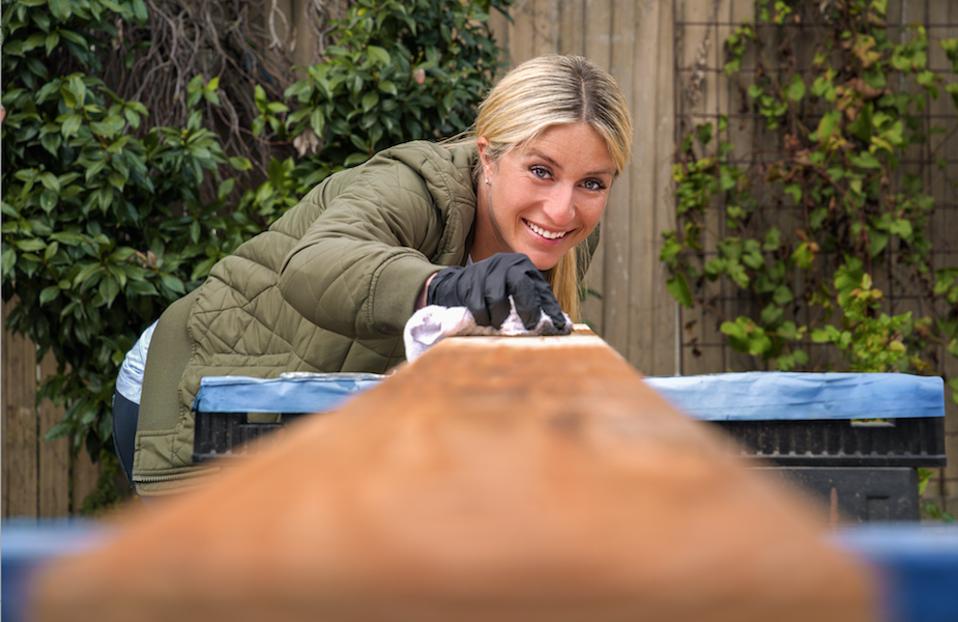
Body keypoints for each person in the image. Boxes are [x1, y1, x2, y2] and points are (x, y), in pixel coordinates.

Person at [119, 55, 633, 494]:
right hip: (195, 383)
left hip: (317, 411)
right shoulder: (412, 187)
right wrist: (443, 287)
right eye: (541, 171)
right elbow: (314, 264)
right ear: (489, 156)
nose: (563, 209)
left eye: (591, 183)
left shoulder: (557, 241)